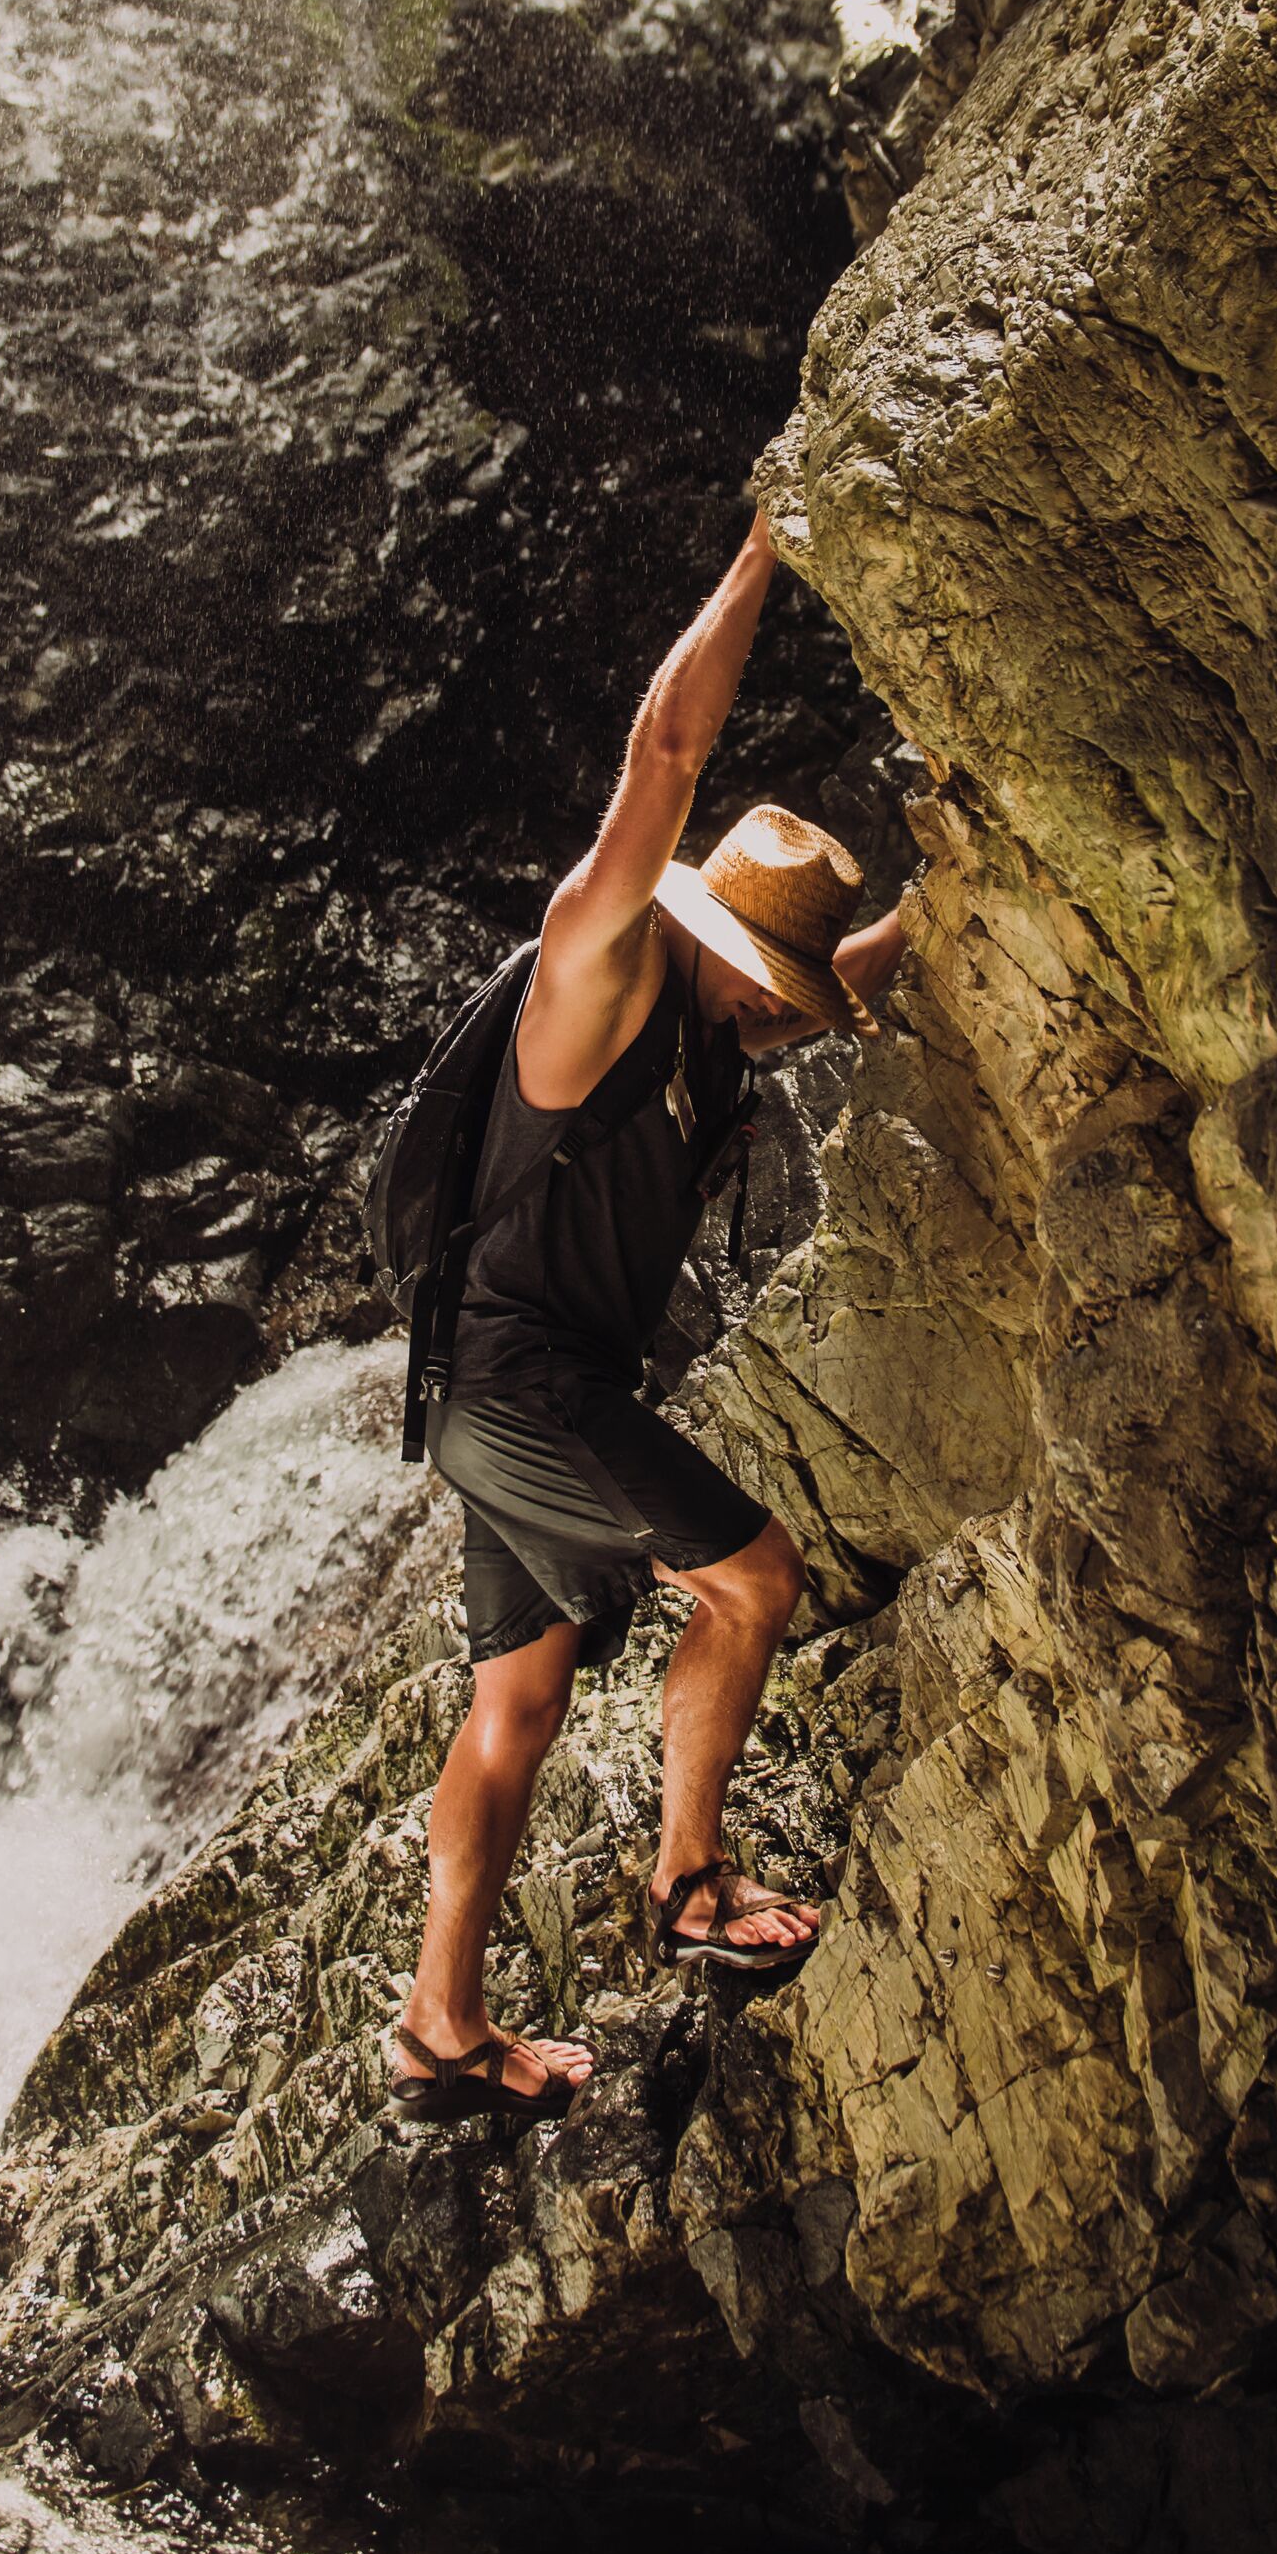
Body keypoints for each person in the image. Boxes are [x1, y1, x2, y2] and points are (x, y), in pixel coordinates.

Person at [386, 506, 905, 2125]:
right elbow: (664, 749)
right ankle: (693, 1887)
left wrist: (962, 877)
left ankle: (438, 2033)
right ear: (702, 936)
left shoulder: (714, 1039)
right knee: (756, 1582)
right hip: (524, 1384)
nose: (782, 1004)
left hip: (513, 1393)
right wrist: (770, 543)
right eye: (769, 969)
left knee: (517, 1706)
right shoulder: (596, 975)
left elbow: (861, 974)